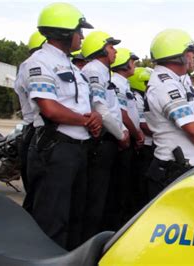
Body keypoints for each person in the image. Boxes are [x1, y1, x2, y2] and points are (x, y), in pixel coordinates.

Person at [25, 3, 100, 249]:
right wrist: (86, 120)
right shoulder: (40, 62)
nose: (83, 36)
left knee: (76, 218)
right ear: (66, 32)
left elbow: (80, 105)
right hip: (55, 150)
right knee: (52, 222)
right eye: (80, 30)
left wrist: (94, 119)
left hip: (78, 149)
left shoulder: (72, 67)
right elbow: (50, 108)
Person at [146, 29, 194, 201]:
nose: (193, 59)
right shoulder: (167, 86)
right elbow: (192, 130)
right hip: (173, 171)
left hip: (177, 169)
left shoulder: (172, 82)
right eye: (191, 54)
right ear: (179, 55)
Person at [80, 30, 128, 239]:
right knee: (95, 199)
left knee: (105, 196)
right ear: (99, 49)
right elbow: (100, 108)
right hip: (102, 142)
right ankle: (91, 243)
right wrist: (121, 134)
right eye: (110, 46)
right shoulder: (94, 71)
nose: (115, 51)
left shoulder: (101, 71)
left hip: (110, 139)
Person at [109, 48, 144, 226]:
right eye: (132, 61)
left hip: (130, 139)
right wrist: (137, 134)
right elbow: (122, 114)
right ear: (124, 62)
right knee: (120, 188)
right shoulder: (117, 83)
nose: (134, 65)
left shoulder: (124, 84)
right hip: (123, 141)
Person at [14, 30, 46, 213]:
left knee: (37, 193)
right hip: (36, 129)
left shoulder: (26, 66)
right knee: (38, 194)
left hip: (32, 129)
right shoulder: (32, 66)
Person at [128, 67, 154, 208]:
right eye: (146, 83)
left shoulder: (142, 97)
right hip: (144, 146)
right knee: (140, 184)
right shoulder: (136, 98)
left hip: (148, 145)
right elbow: (143, 125)